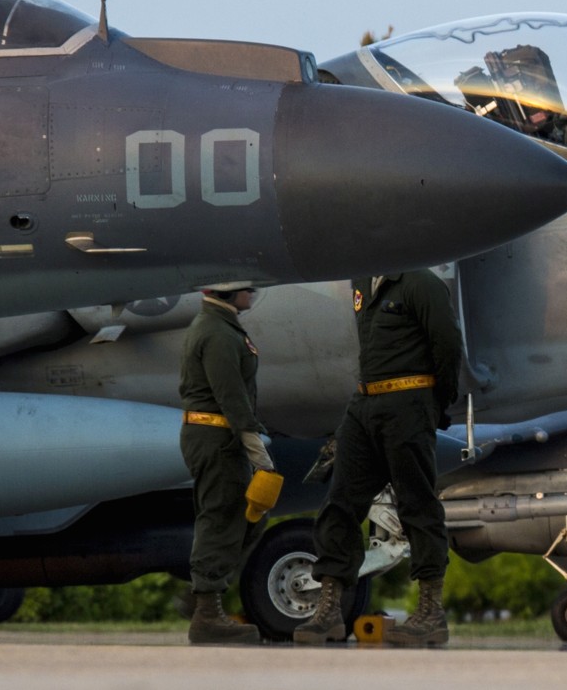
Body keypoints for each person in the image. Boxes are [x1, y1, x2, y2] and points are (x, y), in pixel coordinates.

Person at [295, 269, 464, 646]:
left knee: (417, 504)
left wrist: (436, 401)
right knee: (339, 503)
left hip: (409, 401)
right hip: (364, 404)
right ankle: (329, 609)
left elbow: (448, 345)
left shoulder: (420, 283)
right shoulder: (361, 282)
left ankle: (430, 613)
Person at [177, 281, 270, 646]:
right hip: (219, 438)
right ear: (229, 292)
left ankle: (206, 596)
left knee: (240, 516)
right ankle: (207, 613)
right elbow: (229, 394)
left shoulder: (220, 325)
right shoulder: (216, 332)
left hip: (219, 436)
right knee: (220, 516)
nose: (252, 293)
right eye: (248, 288)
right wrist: (254, 446)